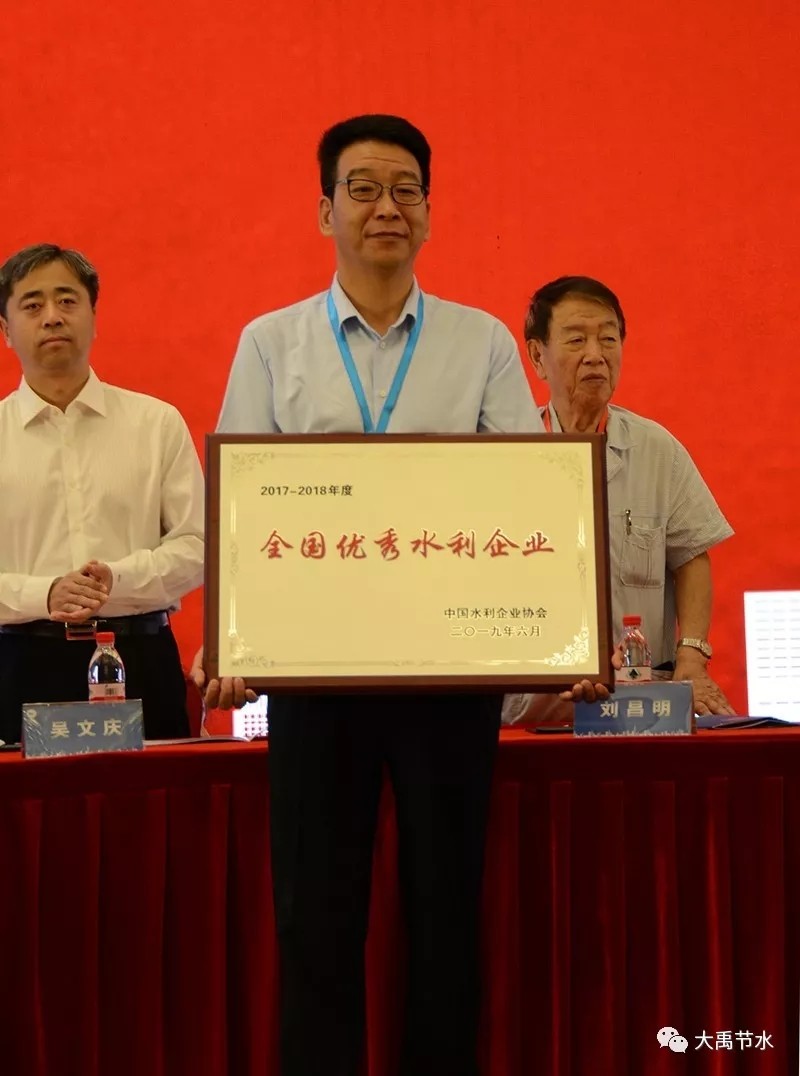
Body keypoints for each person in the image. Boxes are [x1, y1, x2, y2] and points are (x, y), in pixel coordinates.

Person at [195, 114, 553, 1076]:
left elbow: (528, 495)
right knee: (315, 916)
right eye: (362, 188)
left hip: (451, 673)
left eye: (405, 189)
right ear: (325, 211)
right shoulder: (270, 344)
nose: (385, 207)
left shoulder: (481, 342)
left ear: (429, 212)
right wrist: (231, 637)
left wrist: (553, 638)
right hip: (317, 676)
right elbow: (241, 505)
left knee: (446, 912)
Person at [504, 275, 734, 726]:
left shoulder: (656, 449)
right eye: (576, 340)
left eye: (608, 339)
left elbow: (691, 556)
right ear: (537, 356)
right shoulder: (508, 453)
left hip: (641, 700)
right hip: (538, 701)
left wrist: (692, 657)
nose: (595, 354)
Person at [0, 243, 204, 744]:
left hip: (140, 657)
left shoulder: (156, 423)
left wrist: (117, 580)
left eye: (67, 300)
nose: (52, 316)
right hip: (18, 662)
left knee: (151, 795)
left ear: (94, 317)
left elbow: (199, 547)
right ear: (5, 330)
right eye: (32, 305)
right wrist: (45, 593)